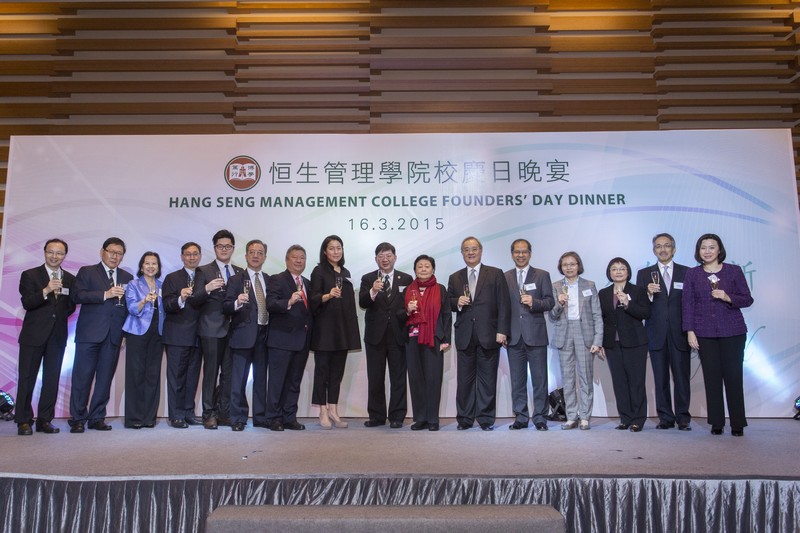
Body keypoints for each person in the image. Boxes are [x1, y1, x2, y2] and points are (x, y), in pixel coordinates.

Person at [682, 233, 753, 437]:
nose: (707, 251)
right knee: (711, 378)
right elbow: (687, 304)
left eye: (711, 247)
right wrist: (690, 331)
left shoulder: (733, 271)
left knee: (733, 377)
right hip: (704, 332)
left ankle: (738, 423)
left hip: (733, 331)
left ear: (719, 250)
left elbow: (747, 299)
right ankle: (717, 422)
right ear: (698, 251)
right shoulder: (693, 274)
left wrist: (727, 296)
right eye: (703, 248)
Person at [68, 237, 133, 433]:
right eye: (111, 252)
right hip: (89, 334)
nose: (115, 256)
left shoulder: (127, 277)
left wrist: (124, 334)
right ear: (102, 252)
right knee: (82, 378)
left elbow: (128, 308)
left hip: (113, 335)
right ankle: (78, 418)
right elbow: (77, 295)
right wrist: (105, 294)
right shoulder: (87, 272)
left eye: (119, 253)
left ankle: (97, 417)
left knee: (105, 379)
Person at [447, 236, 510, 431]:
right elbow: (447, 303)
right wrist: (457, 301)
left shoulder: (495, 273)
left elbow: (504, 305)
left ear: (481, 251)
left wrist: (502, 331)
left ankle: (485, 419)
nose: (471, 252)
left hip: (489, 335)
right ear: (462, 253)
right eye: (466, 249)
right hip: (465, 336)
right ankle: (464, 419)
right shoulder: (455, 277)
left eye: (474, 249)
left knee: (487, 380)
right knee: (464, 381)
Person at [15, 238, 77, 435]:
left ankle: (44, 420)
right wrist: (46, 290)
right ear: (44, 252)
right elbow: (27, 302)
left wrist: (55, 319)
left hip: (57, 336)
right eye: (51, 252)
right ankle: (23, 420)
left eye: (59, 253)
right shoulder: (30, 275)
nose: (54, 256)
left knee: (51, 379)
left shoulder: (70, 279)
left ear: (65, 255)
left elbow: (70, 306)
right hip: (33, 336)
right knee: (27, 378)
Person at [635, 233, 692, 431]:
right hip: (656, 333)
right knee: (660, 379)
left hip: (680, 333)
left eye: (667, 246)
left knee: (682, 378)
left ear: (674, 249)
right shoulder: (644, 274)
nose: (663, 249)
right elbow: (640, 306)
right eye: (658, 246)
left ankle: (683, 417)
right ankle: (665, 417)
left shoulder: (687, 272)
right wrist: (648, 294)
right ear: (653, 250)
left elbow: (691, 303)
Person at [359, 242, 413, 428]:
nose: (385, 259)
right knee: (375, 377)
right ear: (376, 259)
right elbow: (363, 302)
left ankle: (397, 416)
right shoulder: (368, 279)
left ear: (395, 258)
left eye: (388, 255)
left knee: (398, 377)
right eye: (381, 256)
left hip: (398, 334)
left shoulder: (406, 278)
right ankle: (376, 416)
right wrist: (373, 290)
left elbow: (410, 305)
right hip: (375, 336)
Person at [193, 229, 244, 427]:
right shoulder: (204, 271)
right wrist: (207, 288)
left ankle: (225, 412)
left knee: (229, 375)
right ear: (214, 248)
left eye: (228, 246)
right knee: (211, 373)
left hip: (235, 331)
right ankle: (208, 414)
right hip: (212, 329)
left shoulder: (240, 272)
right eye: (220, 246)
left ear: (233, 248)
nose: (224, 249)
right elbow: (194, 299)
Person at [309, 235, 361, 429]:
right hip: (325, 330)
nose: (336, 251)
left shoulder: (345, 272)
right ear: (325, 251)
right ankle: (322, 411)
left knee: (337, 373)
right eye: (332, 248)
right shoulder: (318, 271)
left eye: (339, 247)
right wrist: (328, 295)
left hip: (342, 330)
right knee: (322, 372)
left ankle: (333, 410)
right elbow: (313, 298)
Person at [503, 238, 554, 431]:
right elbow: (502, 307)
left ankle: (540, 417)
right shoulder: (505, 276)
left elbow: (550, 302)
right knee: (517, 380)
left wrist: (534, 303)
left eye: (524, 251)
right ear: (512, 254)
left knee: (540, 379)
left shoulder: (542, 275)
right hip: (514, 336)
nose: (521, 255)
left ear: (530, 253)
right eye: (517, 252)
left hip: (536, 335)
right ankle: (521, 417)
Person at [549, 251, 603, 430]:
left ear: (578, 265)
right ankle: (571, 416)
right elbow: (552, 316)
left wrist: (598, 340)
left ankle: (585, 416)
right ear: (561, 267)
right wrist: (559, 303)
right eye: (565, 265)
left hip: (584, 334)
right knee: (568, 378)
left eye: (572, 264)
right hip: (564, 334)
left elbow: (597, 315)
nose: (569, 267)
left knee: (586, 376)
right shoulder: (556, 286)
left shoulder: (589, 285)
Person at [599, 257, 651, 432]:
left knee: (636, 381)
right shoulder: (604, 293)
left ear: (628, 272)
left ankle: (638, 418)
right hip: (613, 343)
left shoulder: (638, 291)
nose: (618, 272)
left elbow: (645, 313)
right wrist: (599, 342)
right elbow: (602, 319)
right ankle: (625, 418)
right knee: (619, 382)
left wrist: (628, 304)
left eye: (622, 268)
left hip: (635, 343)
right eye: (614, 269)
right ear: (609, 273)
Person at [223, 239, 270, 432]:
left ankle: (260, 417)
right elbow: (225, 306)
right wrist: (236, 302)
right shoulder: (236, 279)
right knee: (239, 380)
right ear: (246, 256)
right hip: (242, 335)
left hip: (265, 335)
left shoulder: (269, 278)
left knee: (260, 379)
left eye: (260, 252)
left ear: (265, 257)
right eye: (252, 252)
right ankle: (238, 418)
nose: (256, 255)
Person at [266, 245, 313, 431]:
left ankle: (289, 417)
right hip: (281, 340)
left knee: (294, 382)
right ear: (287, 260)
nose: (299, 260)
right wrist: (288, 302)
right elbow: (270, 304)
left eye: (302, 257)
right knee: (277, 382)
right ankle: (274, 418)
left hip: (302, 340)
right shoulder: (277, 279)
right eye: (295, 257)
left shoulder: (308, 283)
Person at [405, 254, 451, 431]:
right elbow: (400, 316)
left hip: (434, 338)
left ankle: (433, 419)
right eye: (420, 266)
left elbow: (446, 315)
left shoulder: (440, 289)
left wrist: (445, 338)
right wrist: (407, 310)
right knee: (416, 379)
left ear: (433, 269)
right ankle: (420, 418)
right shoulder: (408, 289)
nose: (423, 269)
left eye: (427, 266)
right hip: (412, 339)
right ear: (415, 270)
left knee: (433, 379)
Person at [161, 242, 205, 429]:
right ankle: (176, 415)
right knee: (177, 377)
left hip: (199, 335)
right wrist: (181, 298)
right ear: (182, 256)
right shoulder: (172, 278)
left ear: (200, 256)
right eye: (188, 254)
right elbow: (167, 305)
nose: (192, 257)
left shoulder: (205, 276)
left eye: (195, 254)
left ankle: (188, 413)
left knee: (192, 377)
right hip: (177, 335)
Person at [122, 251, 164, 429]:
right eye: (147, 263)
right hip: (137, 332)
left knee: (153, 375)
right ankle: (134, 418)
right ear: (141, 266)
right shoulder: (133, 284)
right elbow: (131, 308)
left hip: (158, 332)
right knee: (135, 374)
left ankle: (149, 417)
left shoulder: (163, 285)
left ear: (158, 267)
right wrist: (145, 300)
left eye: (154, 264)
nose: (151, 267)